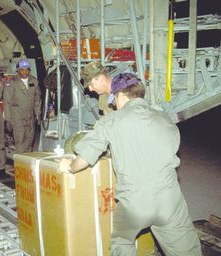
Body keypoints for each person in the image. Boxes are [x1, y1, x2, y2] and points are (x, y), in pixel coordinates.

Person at [59, 73, 202, 256]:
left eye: (114, 100)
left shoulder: (112, 120)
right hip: (170, 200)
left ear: (121, 96)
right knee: (186, 250)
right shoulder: (164, 118)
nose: (113, 105)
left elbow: (84, 159)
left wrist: (69, 166)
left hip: (135, 203)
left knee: (122, 241)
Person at [4, 59, 41, 153]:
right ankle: (20, 164)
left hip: (30, 116)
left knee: (30, 140)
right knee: (20, 141)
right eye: (22, 70)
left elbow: (37, 99)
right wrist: (8, 119)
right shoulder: (11, 83)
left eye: (26, 69)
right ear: (18, 70)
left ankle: (27, 163)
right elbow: (7, 101)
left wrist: (37, 114)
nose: (24, 72)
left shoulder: (34, 81)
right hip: (17, 116)